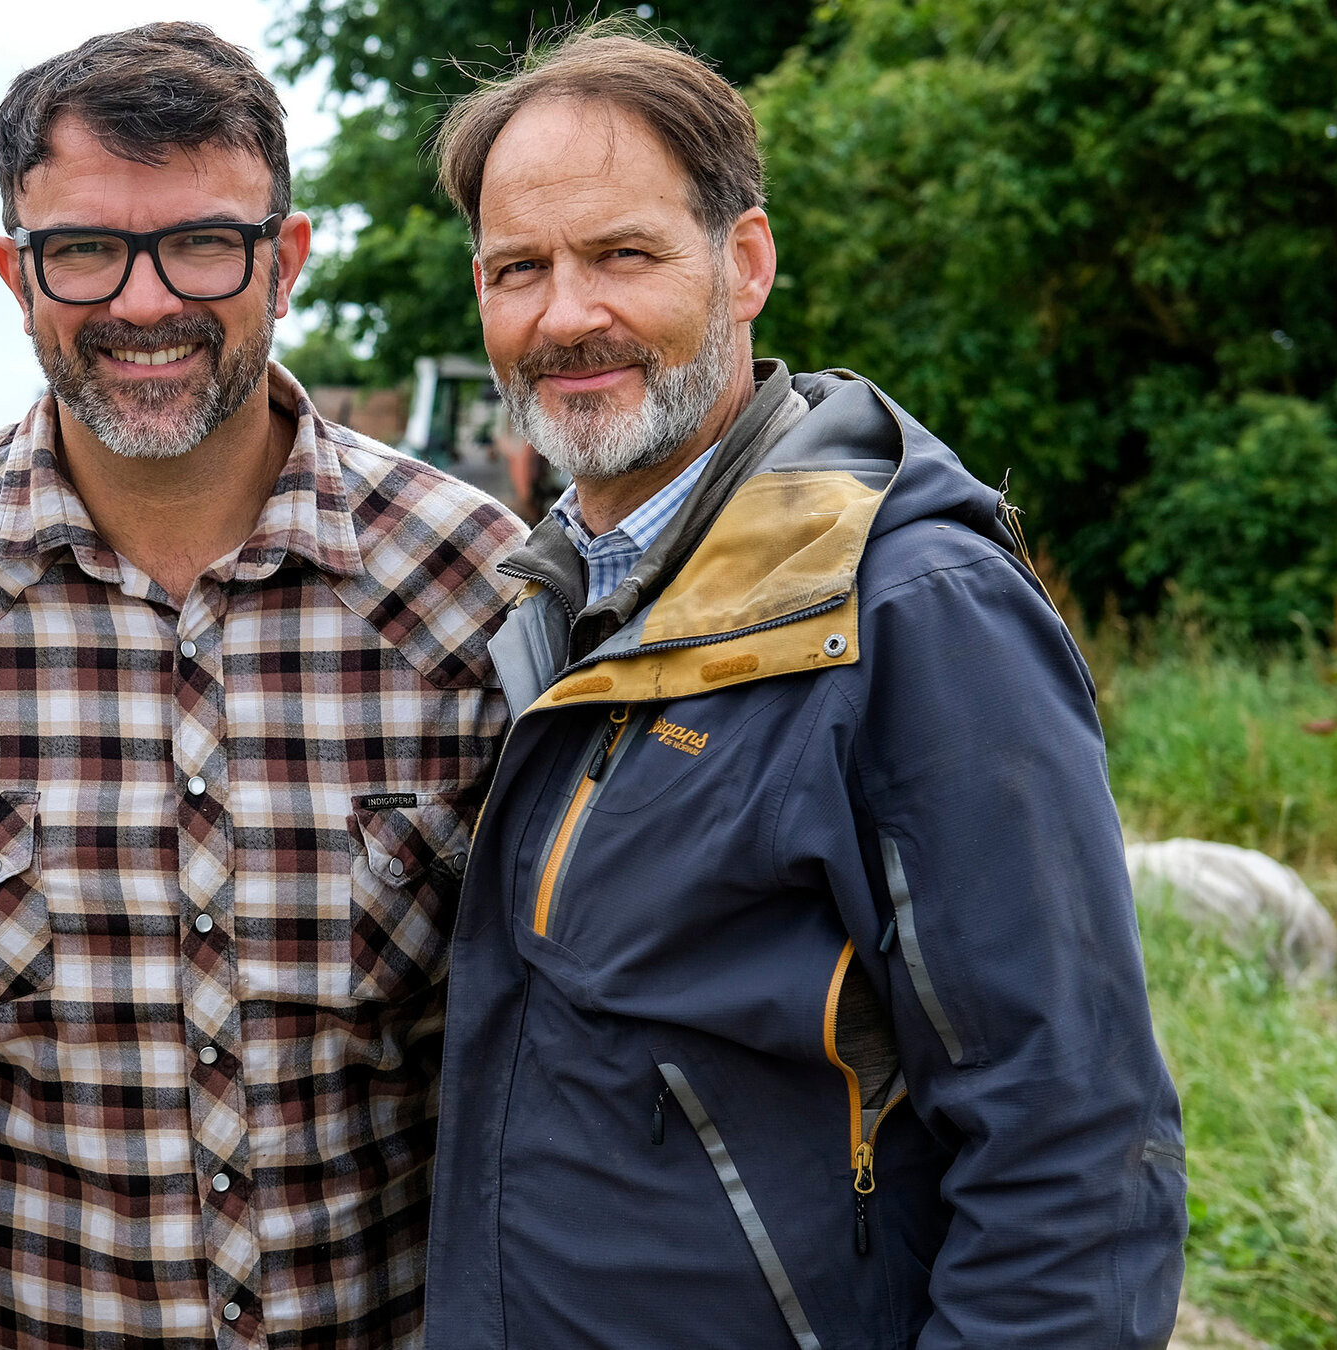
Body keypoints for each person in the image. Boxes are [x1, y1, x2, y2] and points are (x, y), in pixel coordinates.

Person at [418, 24, 1188, 1350]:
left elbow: (1073, 1150)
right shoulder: (548, 606)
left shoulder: (906, 609)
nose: (564, 315)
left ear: (747, 263)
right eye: (517, 269)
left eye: (622, 254)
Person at [0, 23, 526, 1349]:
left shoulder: (474, 587)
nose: (141, 301)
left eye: (201, 242)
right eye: (83, 251)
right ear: (15, 273)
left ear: (284, 261)